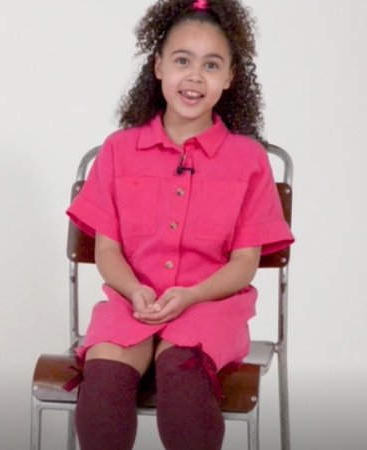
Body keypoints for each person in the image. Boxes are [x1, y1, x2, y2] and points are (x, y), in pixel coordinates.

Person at [65, 1, 294, 449]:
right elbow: (108, 251)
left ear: (230, 77)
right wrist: (134, 291)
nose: (194, 77)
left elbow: (245, 262)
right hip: (132, 301)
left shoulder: (248, 159)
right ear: (158, 67)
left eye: (211, 65)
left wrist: (190, 295)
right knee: (105, 376)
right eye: (182, 61)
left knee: (182, 372)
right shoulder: (118, 149)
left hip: (210, 306)